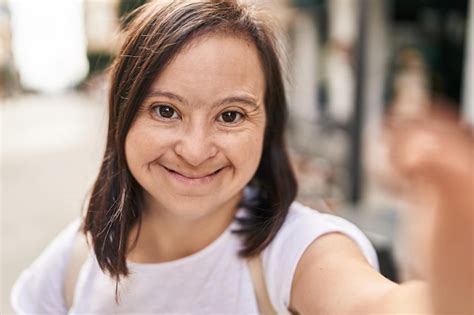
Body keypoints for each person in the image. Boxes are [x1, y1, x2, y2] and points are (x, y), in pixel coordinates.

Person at [11, 0, 473, 314]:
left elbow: (382, 306)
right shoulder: (74, 260)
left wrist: (454, 240)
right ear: (122, 117)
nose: (195, 149)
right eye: (165, 110)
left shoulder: (297, 251)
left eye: (230, 115)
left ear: (267, 125)